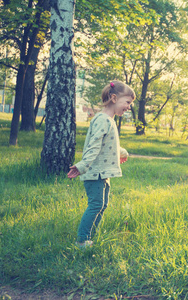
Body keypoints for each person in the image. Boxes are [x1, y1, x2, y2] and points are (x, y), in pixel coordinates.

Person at [67, 80, 135, 249]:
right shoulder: (103, 120)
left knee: (102, 205)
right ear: (113, 98)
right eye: (127, 102)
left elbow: (107, 143)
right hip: (94, 172)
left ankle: (90, 237)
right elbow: (94, 145)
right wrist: (82, 166)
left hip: (102, 173)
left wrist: (121, 152)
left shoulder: (108, 120)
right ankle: (82, 241)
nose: (129, 107)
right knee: (96, 205)